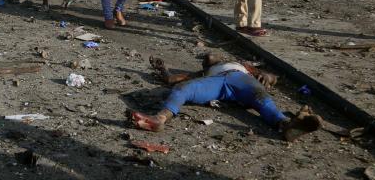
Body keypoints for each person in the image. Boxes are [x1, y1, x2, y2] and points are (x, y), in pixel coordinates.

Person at [130, 54, 321, 142]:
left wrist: (264, 76)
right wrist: (162, 69)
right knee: (183, 88)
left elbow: (273, 78)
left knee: (263, 99)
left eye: (210, 57)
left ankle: (286, 125)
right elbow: (172, 80)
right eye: (206, 59)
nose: (209, 57)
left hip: (242, 80)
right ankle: (160, 118)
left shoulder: (244, 65)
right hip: (218, 84)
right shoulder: (202, 73)